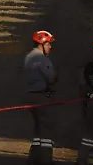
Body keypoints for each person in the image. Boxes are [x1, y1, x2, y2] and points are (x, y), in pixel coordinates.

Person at [24, 30, 58, 164]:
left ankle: (34, 156)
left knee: (38, 127)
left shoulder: (28, 57)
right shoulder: (42, 59)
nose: (50, 47)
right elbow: (51, 78)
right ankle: (45, 159)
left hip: (30, 96)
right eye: (49, 44)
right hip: (42, 96)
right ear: (42, 44)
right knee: (46, 129)